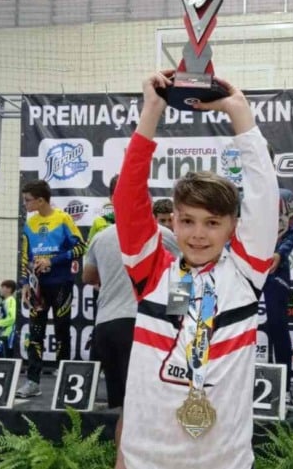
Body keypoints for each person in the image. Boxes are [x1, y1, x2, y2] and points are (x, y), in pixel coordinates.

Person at [113, 71, 277, 469]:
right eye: (188, 221)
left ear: (232, 227)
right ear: (172, 222)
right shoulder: (151, 272)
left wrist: (238, 111)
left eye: (212, 222)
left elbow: (263, 191)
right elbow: (128, 197)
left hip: (224, 461)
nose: (198, 234)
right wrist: (151, 111)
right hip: (145, 460)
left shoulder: (245, 274)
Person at [83, 206, 179, 458]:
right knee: (157, 408)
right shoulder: (162, 234)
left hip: (107, 326)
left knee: (127, 410)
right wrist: (180, 318)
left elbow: (88, 276)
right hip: (145, 326)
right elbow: (184, 274)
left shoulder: (100, 237)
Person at [16, 179, 86, 398]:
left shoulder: (63, 218)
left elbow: (81, 247)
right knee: (35, 333)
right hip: (38, 288)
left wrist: (52, 261)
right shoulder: (30, 223)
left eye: (27, 200)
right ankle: (32, 382)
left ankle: (65, 380)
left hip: (61, 284)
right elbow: (25, 257)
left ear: (41, 200)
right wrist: (25, 284)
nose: (24, 204)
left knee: (61, 330)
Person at [262, 143, 293, 410]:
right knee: (237, 328)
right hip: (244, 270)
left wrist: (279, 254)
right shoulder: (238, 194)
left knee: (277, 325)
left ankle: (284, 389)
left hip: (276, 268)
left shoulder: (285, 194)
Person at [87, 175, 120, 243]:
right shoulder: (98, 223)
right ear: (111, 198)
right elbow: (89, 251)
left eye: (127, 194)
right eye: (119, 194)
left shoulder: (140, 223)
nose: (123, 198)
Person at [0, 280, 18, 358]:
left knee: (4, 352)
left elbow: (12, 318)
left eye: (2, 287)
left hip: (9, 331)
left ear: (9, 289)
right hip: (5, 331)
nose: (0, 289)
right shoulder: (5, 301)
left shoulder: (11, 301)